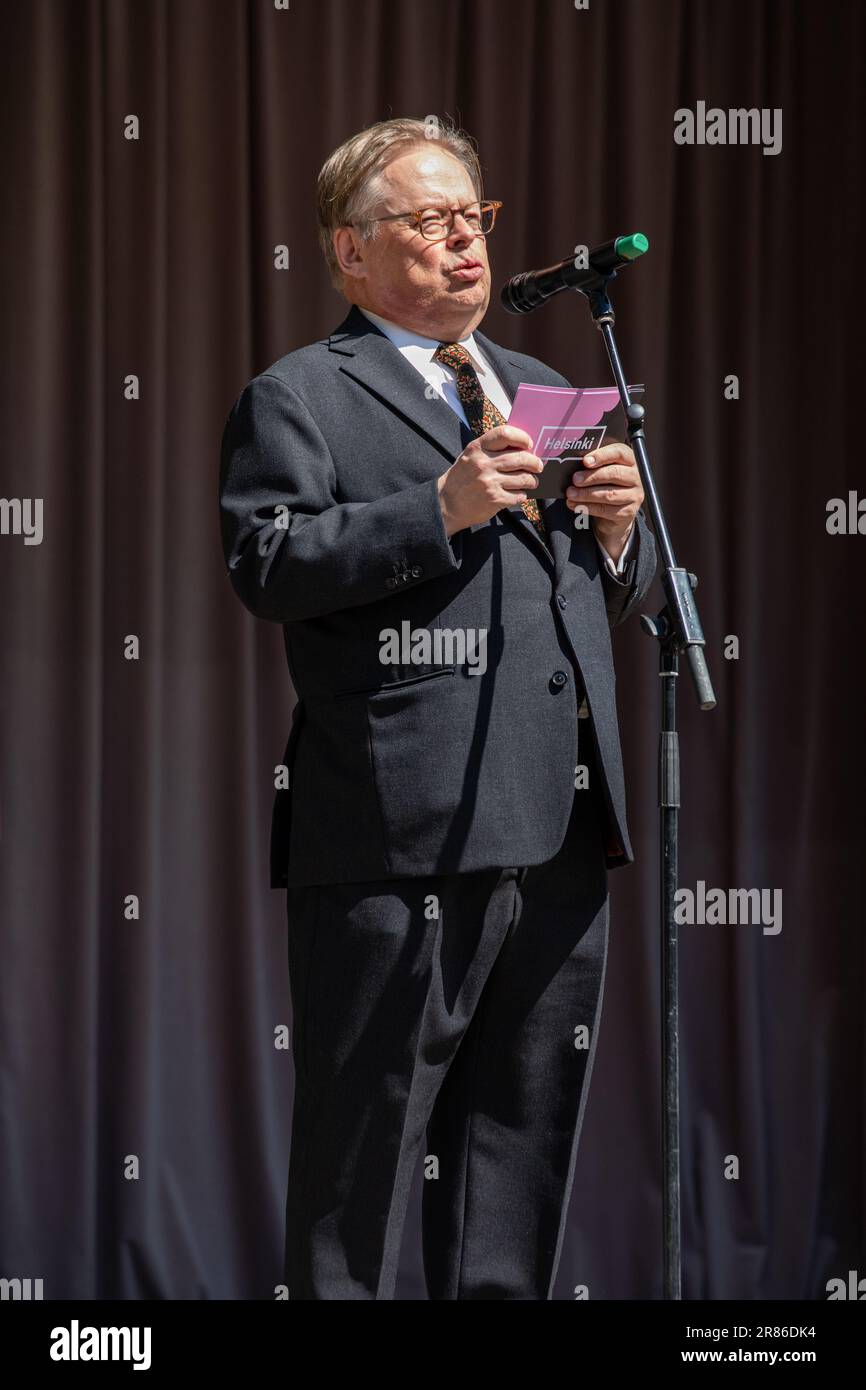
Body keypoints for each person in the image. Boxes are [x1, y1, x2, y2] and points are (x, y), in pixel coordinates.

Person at [219, 117, 657, 1300]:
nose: (463, 242)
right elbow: (268, 565)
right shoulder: (300, 396)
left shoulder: (547, 386)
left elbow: (590, 599)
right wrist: (439, 509)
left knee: (514, 1160)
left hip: (557, 826)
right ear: (349, 252)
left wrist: (617, 540)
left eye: (474, 218)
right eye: (427, 220)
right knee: (358, 1167)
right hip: (394, 831)